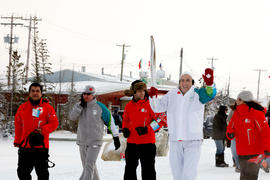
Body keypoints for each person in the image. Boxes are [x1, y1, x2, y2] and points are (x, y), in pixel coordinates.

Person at [148, 68, 216, 180]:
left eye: (188, 80)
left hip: (193, 140)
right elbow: (157, 108)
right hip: (175, 140)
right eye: (182, 80)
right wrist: (153, 97)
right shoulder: (172, 94)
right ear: (179, 82)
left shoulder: (198, 94)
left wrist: (209, 84)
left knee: (189, 174)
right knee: (177, 174)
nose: (185, 83)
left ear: (192, 82)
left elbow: (210, 94)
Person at [69, 85, 120, 180]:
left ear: (93, 95)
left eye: (89, 94)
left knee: (89, 165)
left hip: (95, 142)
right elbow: (72, 117)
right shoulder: (79, 106)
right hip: (82, 141)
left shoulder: (100, 107)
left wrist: (115, 136)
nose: (86, 96)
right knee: (88, 166)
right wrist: (79, 107)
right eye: (84, 94)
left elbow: (110, 121)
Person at [14, 82, 59, 180]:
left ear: (41, 93)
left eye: (37, 91)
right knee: (22, 173)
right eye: (33, 91)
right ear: (29, 93)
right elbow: (18, 125)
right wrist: (17, 140)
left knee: (42, 174)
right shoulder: (22, 107)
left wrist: (42, 130)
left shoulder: (48, 108)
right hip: (25, 146)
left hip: (41, 146)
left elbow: (54, 123)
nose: (35, 93)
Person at [226, 90, 270, 180]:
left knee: (251, 176)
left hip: (255, 151)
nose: (236, 101)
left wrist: (267, 148)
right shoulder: (237, 113)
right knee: (243, 175)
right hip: (242, 151)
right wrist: (229, 133)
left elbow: (265, 131)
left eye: (239, 99)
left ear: (245, 100)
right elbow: (231, 126)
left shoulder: (256, 113)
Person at [122, 80, 157, 180]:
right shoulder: (129, 105)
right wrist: (125, 129)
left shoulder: (151, 104)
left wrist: (147, 129)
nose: (142, 93)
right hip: (132, 143)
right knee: (129, 169)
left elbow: (159, 121)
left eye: (144, 90)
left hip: (148, 143)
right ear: (134, 92)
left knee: (148, 170)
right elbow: (125, 119)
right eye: (139, 91)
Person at [227, 102, 241, 172]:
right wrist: (231, 127)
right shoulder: (233, 111)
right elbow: (228, 120)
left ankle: (241, 166)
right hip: (234, 135)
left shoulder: (248, 110)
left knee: (242, 151)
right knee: (234, 151)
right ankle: (238, 165)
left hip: (243, 135)